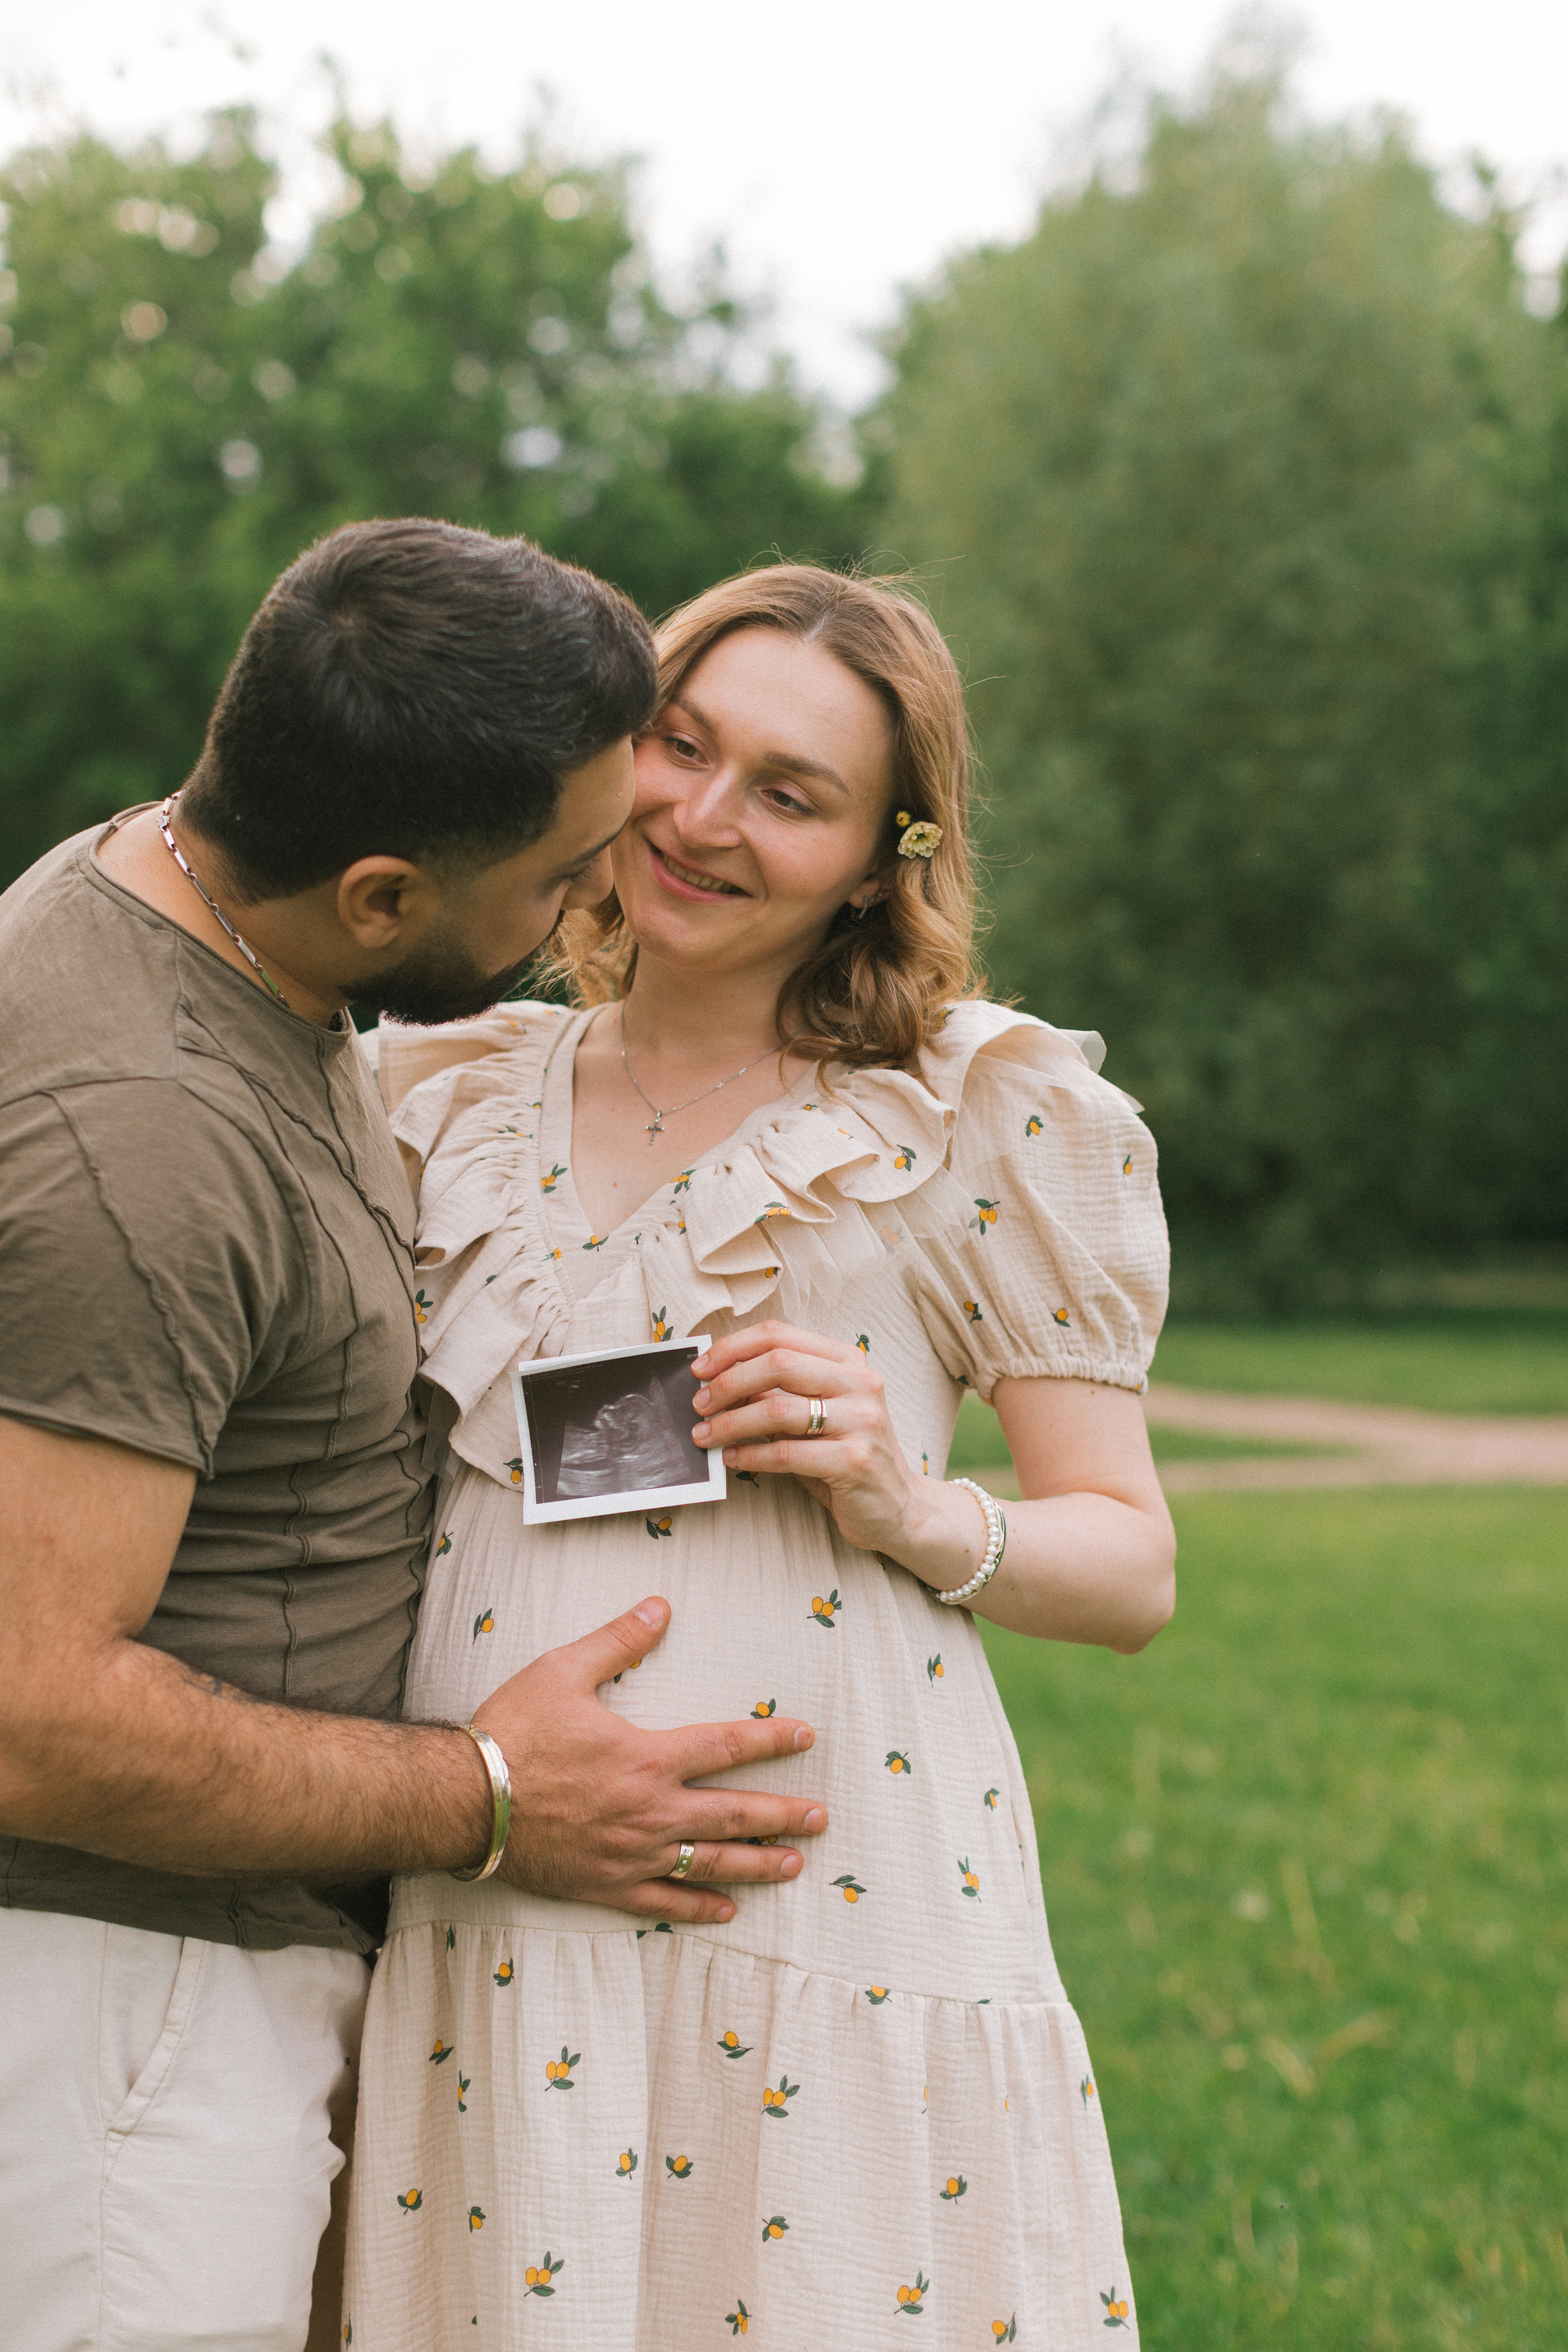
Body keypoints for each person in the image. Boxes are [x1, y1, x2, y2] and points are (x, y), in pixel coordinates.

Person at [0, 520, 828, 2352]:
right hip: (109, 2020)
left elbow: (346, 1416)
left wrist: (721, 1417)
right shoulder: (141, 1129)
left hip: (189, 1991)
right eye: (557, 873)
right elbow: (28, 1715)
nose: (603, 892)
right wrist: (494, 1797)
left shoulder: (206, 931)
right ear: (382, 895)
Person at [346, 564, 1176, 2346]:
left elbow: (1132, 1567)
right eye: (681, 744)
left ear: (890, 852)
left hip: (828, 1913)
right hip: (487, 1906)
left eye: (790, 796)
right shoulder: (431, 1095)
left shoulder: (979, 1113)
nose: (704, 820)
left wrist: (913, 1499)